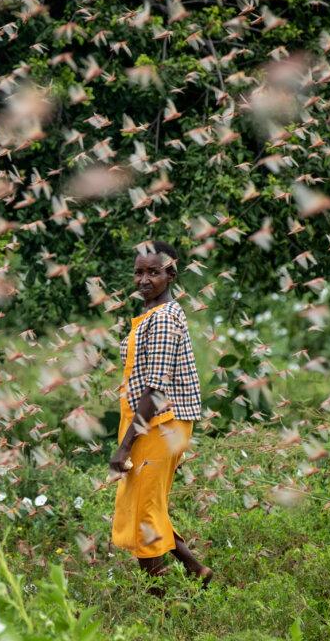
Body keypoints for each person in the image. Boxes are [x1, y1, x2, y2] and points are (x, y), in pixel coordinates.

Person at [110, 239, 212, 594]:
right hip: (151, 424)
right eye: (139, 272)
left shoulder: (165, 320)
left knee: (143, 514)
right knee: (148, 504)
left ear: (171, 273)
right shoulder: (151, 316)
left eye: (153, 272)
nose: (144, 279)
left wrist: (124, 448)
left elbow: (155, 390)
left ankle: (160, 604)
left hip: (160, 425)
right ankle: (196, 570)